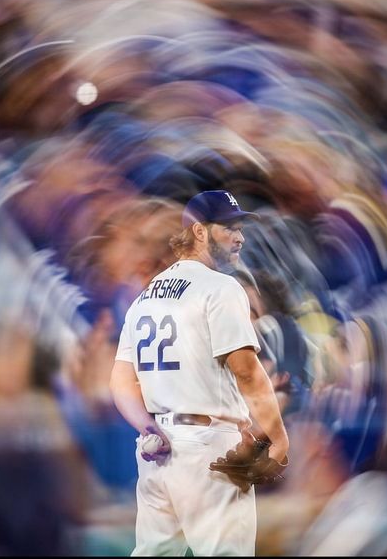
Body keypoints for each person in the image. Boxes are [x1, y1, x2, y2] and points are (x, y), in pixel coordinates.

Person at [110, 189, 289, 556]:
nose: (240, 236)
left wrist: (148, 428)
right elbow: (248, 372)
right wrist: (278, 438)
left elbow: (121, 381)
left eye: (240, 227)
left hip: (156, 454)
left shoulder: (146, 296)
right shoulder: (220, 287)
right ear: (200, 232)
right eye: (229, 227)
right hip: (208, 447)